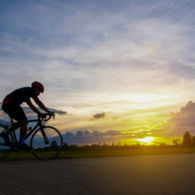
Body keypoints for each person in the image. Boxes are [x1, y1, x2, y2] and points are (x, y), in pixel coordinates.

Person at [1, 81, 52, 150]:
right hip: (10, 104)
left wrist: (47, 111)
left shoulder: (29, 91)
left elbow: (38, 102)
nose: (39, 94)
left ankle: (6, 134)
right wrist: (41, 113)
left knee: (22, 122)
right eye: (39, 91)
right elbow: (32, 105)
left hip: (9, 104)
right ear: (36, 89)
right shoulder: (28, 91)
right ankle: (21, 143)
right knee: (24, 121)